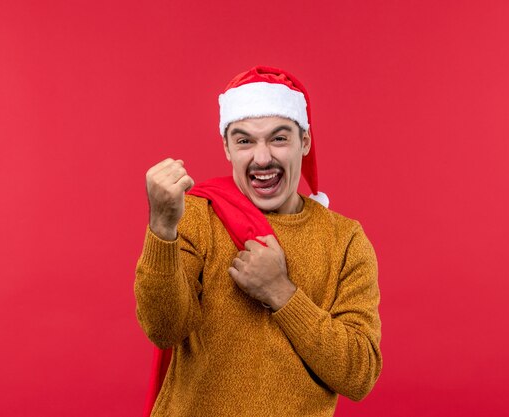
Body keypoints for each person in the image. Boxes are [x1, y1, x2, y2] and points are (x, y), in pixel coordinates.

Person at [134, 66, 382, 417]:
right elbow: (164, 329)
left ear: (305, 142)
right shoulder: (196, 216)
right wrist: (161, 228)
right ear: (227, 147)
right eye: (245, 140)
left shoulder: (345, 240)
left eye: (279, 138)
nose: (262, 158)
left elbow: (359, 374)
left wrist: (281, 293)